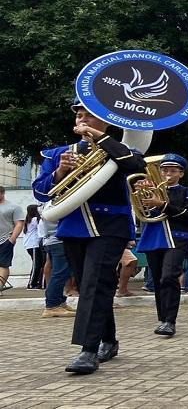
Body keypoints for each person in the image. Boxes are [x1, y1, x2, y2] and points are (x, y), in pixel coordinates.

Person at [32, 98, 146, 374]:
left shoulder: (120, 150)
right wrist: (60, 172)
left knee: (95, 283)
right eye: (79, 116)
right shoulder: (60, 153)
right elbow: (40, 191)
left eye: (90, 117)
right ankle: (109, 339)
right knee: (89, 285)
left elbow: (136, 166)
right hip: (74, 226)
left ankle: (88, 350)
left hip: (110, 226)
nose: (83, 120)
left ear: (106, 121)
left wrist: (102, 139)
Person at [135, 154, 188, 337]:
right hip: (154, 238)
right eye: (164, 170)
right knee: (157, 281)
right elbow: (141, 212)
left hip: (176, 238)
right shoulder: (150, 190)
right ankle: (163, 319)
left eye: (173, 171)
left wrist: (162, 204)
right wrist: (143, 195)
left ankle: (170, 321)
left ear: (181, 174)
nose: (167, 174)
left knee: (168, 277)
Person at [40, 217, 76, 318]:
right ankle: (52, 305)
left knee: (60, 273)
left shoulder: (47, 205)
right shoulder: (56, 203)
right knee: (60, 273)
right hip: (59, 240)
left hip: (52, 240)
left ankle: (59, 302)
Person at [0, 185, 25, 290]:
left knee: (3, 264)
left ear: (2, 193)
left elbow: (19, 223)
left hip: (5, 240)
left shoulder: (14, 207)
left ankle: (0, 286)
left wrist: (12, 239)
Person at [24, 204, 45, 289]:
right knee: (36, 264)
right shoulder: (34, 220)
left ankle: (36, 282)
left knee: (38, 264)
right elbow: (42, 223)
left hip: (31, 245)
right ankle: (31, 283)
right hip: (34, 244)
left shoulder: (28, 220)